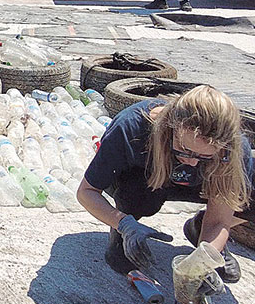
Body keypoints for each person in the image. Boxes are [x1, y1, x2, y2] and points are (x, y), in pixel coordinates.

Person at [77, 85, 253, 289]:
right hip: (145, 182)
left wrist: (204, 262)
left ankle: (198, 229)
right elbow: (86, 192)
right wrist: (123, 224)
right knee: (136, 194)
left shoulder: (232, 147)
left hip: (196, 185)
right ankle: (123, 234)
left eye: (205, 156)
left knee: (249, 193)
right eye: (186, 150)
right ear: (171, 127)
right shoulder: (132, 127)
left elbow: (219, 219)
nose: (193, 162)